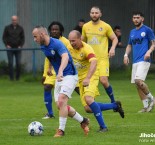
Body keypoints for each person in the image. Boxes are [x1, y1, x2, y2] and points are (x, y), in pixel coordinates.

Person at [32, 26, 89, 137]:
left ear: (42, 34)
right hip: (60, 76)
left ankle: (61, 131)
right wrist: (49, 68)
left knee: (62, 100)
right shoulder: (43, 46)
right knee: (60, 105)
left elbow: (65, 57)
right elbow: (50, 57)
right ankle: (83, 120)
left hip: (70, 75)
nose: (34, 39)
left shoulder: (57, 43)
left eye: (35, 36)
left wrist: (60, 71)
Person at [68, 30, 124, 132]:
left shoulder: (87, 49)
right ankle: (115, 105)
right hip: (79, 79)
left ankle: (103, 127)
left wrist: (88, 78)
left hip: (91, 75)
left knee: (89, 99)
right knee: (88, 108)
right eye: (70, 41)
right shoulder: (69, 47)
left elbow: (93, 62)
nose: (72, 43)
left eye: (73, 41)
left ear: (80, 39)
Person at [42, 21, 80, 119]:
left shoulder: (66, 42)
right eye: (52, 30)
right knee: (47, 87)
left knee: (78, 90)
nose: (54, 31)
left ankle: (90, 104)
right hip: (54, 70)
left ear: (61, 31)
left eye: (56, 30)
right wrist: (48, 69)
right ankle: (50, 113)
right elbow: (50, 56)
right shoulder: (46, 43)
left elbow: (67, 56)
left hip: (66, 70)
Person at [82, 6, 118, 103]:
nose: (94, 15)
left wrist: (113, 48)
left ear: (100, 14)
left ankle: (113, 101)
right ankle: (92, 102)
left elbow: (115, 38)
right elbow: (82, 42)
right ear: (90, 14)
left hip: (102, 59)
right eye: (92, 13)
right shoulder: (85, 26)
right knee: (90, 81)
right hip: (90, 60)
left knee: (103, 81)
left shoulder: (106, 26)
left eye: (96, 13)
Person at [124, 11, 155, 113]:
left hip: (144, 60)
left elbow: (153, 43)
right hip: (135, 61)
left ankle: (152, 98)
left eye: (138, 17)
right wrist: (126, 55)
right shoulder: (132, 32)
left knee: (138, 81)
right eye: (134, 18)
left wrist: (149, 52)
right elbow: (129, 45)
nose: (136, 19)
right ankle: (145, 107)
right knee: (137, 85)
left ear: (142, 19)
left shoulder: (147, 30)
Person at [2, 15, 25, 80]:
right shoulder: (7, 28)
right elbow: (4, 37)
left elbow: (23, 38)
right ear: (11, 20)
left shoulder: (20, 28)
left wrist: (20, 45)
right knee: (10, 63)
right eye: (13, 20)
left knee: (18, 63)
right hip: (10, 49)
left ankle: (17, 78)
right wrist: (7, 45)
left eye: (15, 20)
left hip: (18, 49)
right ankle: (11, 78)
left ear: (17, 20)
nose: (14, 21)